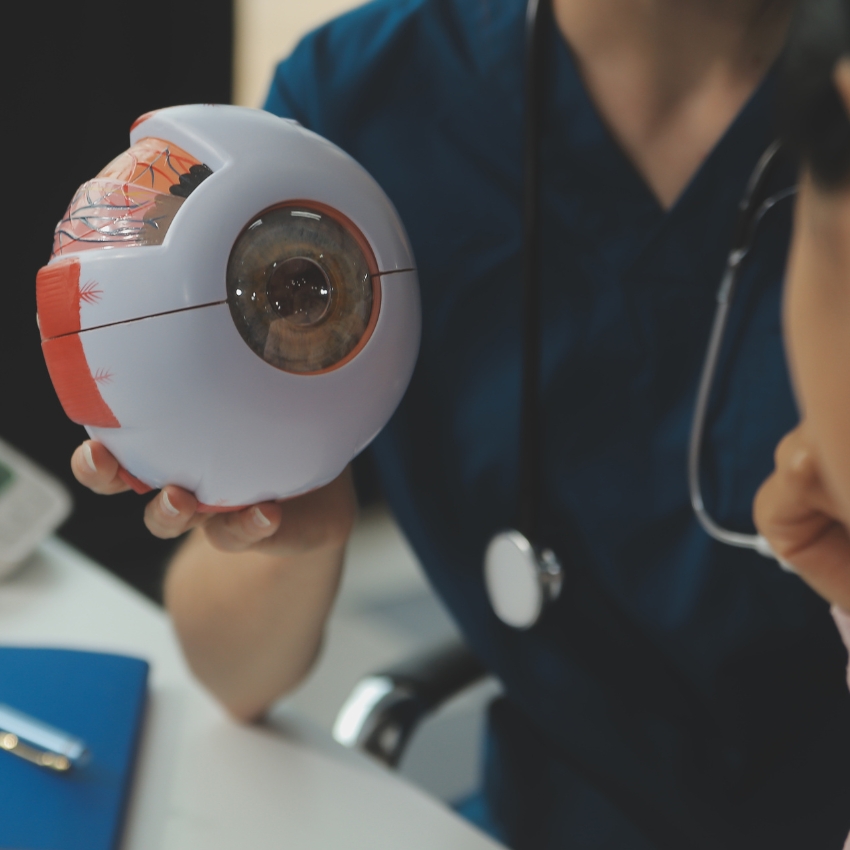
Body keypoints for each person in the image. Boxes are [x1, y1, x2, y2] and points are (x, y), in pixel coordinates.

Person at [70, 0, 850, 848]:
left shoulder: (831, 101)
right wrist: (290, 524)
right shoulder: (360, 106)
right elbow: (230, 673)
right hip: (551, 818)